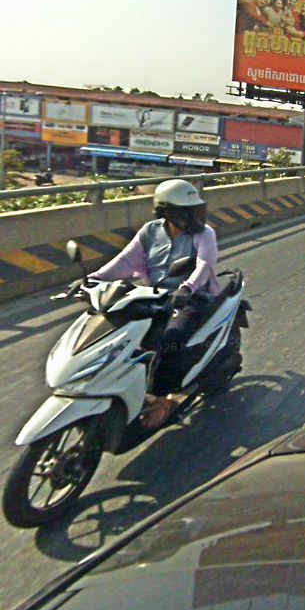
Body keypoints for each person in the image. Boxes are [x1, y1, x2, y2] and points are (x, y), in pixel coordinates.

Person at [87, 180, 221, 429]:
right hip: (154, 295)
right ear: (165, 211)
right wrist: (94, 279)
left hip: (192, 297)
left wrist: (187, 288)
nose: (193, 216)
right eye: (185, 211)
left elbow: (205, 265)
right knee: (122, 333)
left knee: (171, 339)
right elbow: (125, 260)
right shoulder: (150, 231)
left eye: (195, 210)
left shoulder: (205, 234)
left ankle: (161, 399)